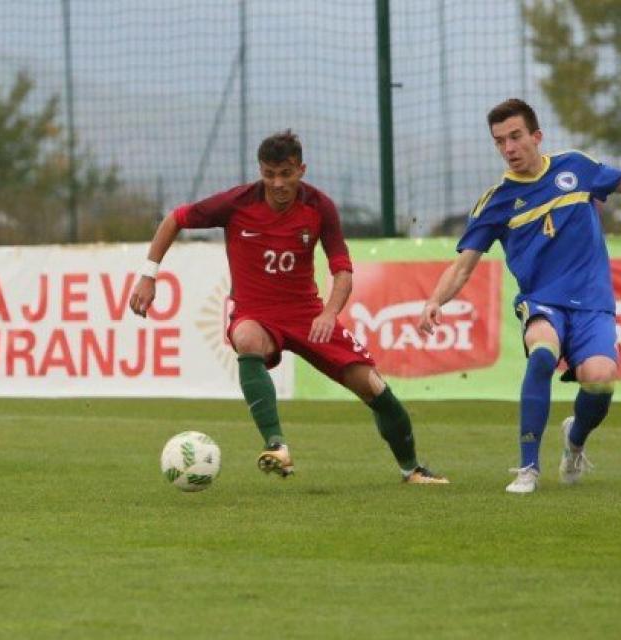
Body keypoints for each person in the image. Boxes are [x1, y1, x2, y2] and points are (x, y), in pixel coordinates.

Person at [417, 98, 621, 493]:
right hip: (542, 301)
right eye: (500, 141)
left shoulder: (576, 167)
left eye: (515, 136)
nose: (509, 148)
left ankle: (575, 440)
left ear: (536, 136)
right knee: (542, 353)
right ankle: (528, 468)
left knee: (600, 380)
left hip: (592, 303)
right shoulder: (496, 201)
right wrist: (435, 300)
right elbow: (463, 266)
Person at [130, 130, 447, 484]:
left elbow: (342, 270)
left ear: (301, 170)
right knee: (247, 339)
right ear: (260, 171)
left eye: (286, 173)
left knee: (373, 387)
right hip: (255, 314)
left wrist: (329, 313)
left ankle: (411, 469)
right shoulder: (237, 202)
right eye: (269, 174)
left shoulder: (319, 207)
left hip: (307, 315)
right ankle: (276, 445)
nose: (278, 183)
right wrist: (148, 275)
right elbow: (176, 218)